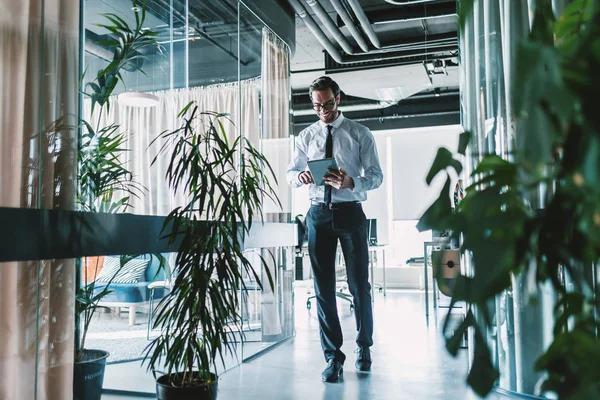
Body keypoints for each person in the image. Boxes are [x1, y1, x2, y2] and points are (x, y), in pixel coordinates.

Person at [286, 76, 383, 382]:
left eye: (327, 104)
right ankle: (333, 358)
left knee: (359, 286)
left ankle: (364, 346)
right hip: (317, 214)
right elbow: (290, 173)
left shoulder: (359, 134)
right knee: (323, 289)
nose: (323, 111)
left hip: (351, 211)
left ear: (338, 98)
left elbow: (377, 176)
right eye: (317, 106)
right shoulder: (306, 136)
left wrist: (351, 182)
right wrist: (300, 176)